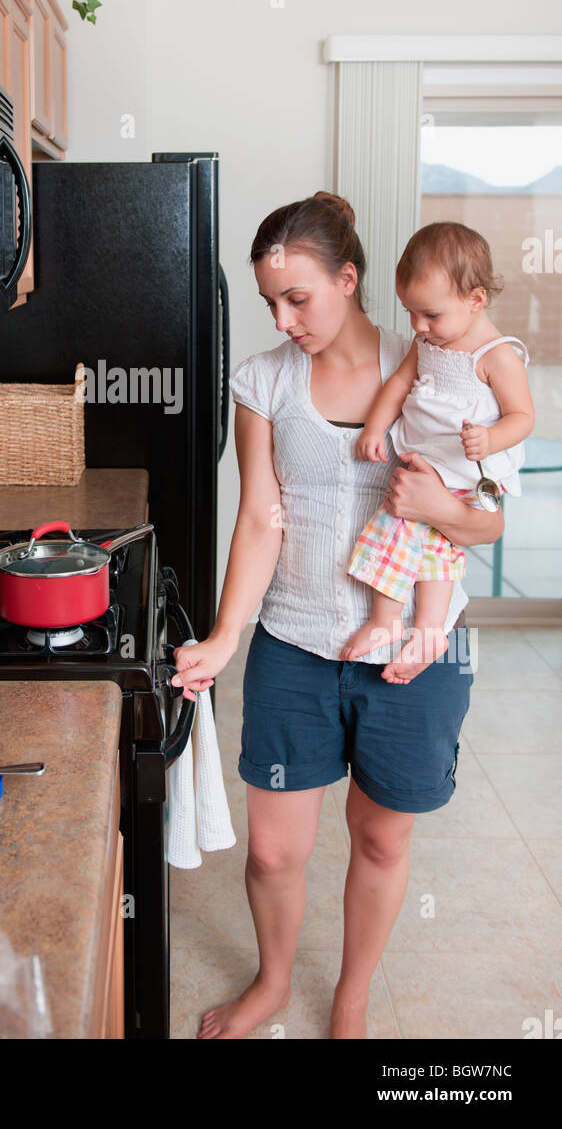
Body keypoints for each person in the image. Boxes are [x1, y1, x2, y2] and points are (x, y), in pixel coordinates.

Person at [171, 191, 505, 1040]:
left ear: (348, 280)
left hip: (420, 650)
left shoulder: (437, 355)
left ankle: (351, 994)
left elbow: (490, 518)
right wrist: (224, 636)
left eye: (299, 298)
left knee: (381, 841)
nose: (284, 319)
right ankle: (274, 981)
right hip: (296, 641)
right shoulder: (263, 382)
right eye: (270, 303)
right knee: (276, 851)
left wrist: (439, 504)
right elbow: (259, 518)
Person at [342, 222, 533, 682]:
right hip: (426, 465)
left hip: (468, 476)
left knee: (416, 535)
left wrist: (491, 439)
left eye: (430, 315)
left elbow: (522, 416)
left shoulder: (495, 355)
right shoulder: (427, 341)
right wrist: (375, 426)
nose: (419, 327)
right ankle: (407, 626)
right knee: (414, 538)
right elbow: (399, 383)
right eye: (410, 313)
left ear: (476, 299)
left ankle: (411, 625)